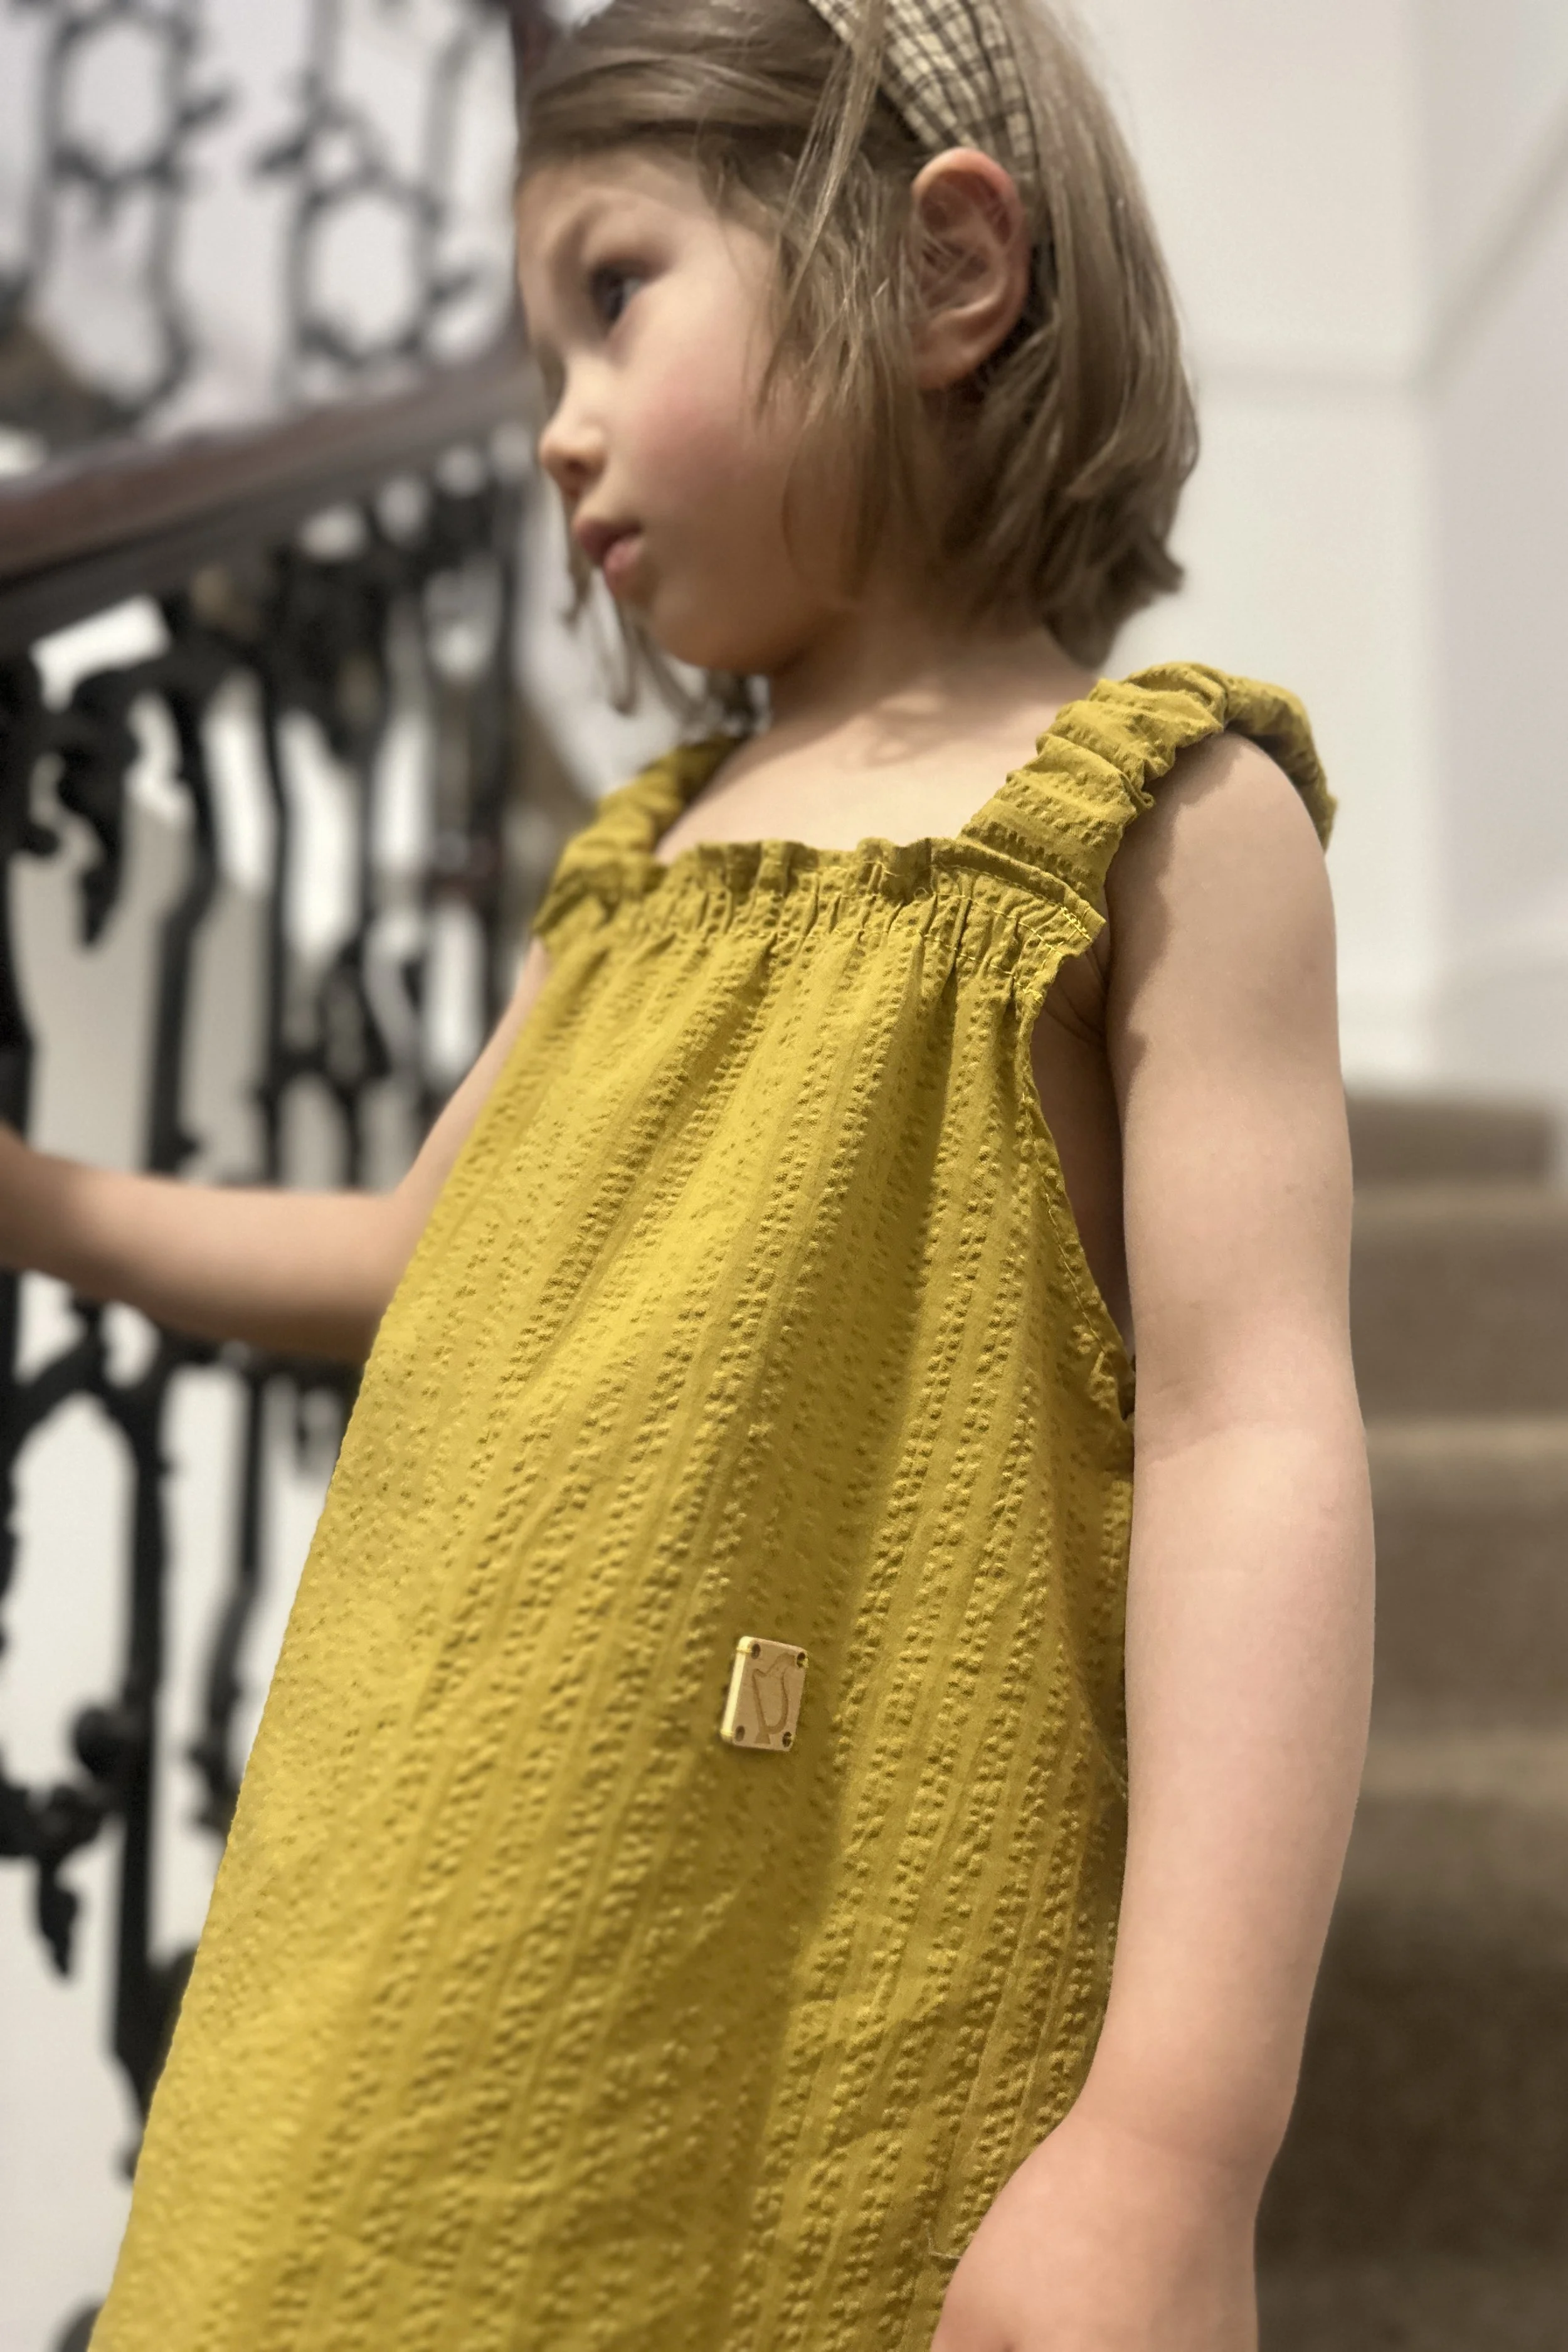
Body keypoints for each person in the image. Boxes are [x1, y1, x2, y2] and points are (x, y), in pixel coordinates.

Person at [8, 0, 1374, 2343]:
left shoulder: (1159, 813)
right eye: (536, 345)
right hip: (405, 1928)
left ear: (949, 270)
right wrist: (41, 1199)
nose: (548, 427)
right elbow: (409, 1254)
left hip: (795, 1968)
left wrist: (1175, 2127)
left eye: (615, 296)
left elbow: (1254, 1440)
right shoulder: (629, 861)